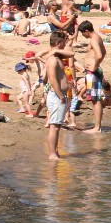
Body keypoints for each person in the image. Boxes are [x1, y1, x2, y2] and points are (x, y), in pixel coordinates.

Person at [42, 31, 71, 160]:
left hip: (57, 95)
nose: (65, 45)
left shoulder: (56, 56)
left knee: (57, 126)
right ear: (59, 43)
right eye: (63, 43)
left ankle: (55, 152)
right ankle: (52, 154)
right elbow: (53, 80)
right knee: (54, 127)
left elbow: (72, 53)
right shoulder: (53, 60)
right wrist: (60, 96)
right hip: (56, 96)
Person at [77, 20, 107, 133]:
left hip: (92, 73)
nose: (82, 35)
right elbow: (104, 52)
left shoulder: (93, 40)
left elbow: (99, 55)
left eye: (82, 33)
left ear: (86, 31)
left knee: (95, 99)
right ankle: (97, 126)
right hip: (93, 72)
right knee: (95, 98)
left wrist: (94, 66)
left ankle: (97, 127)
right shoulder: (98, 37)